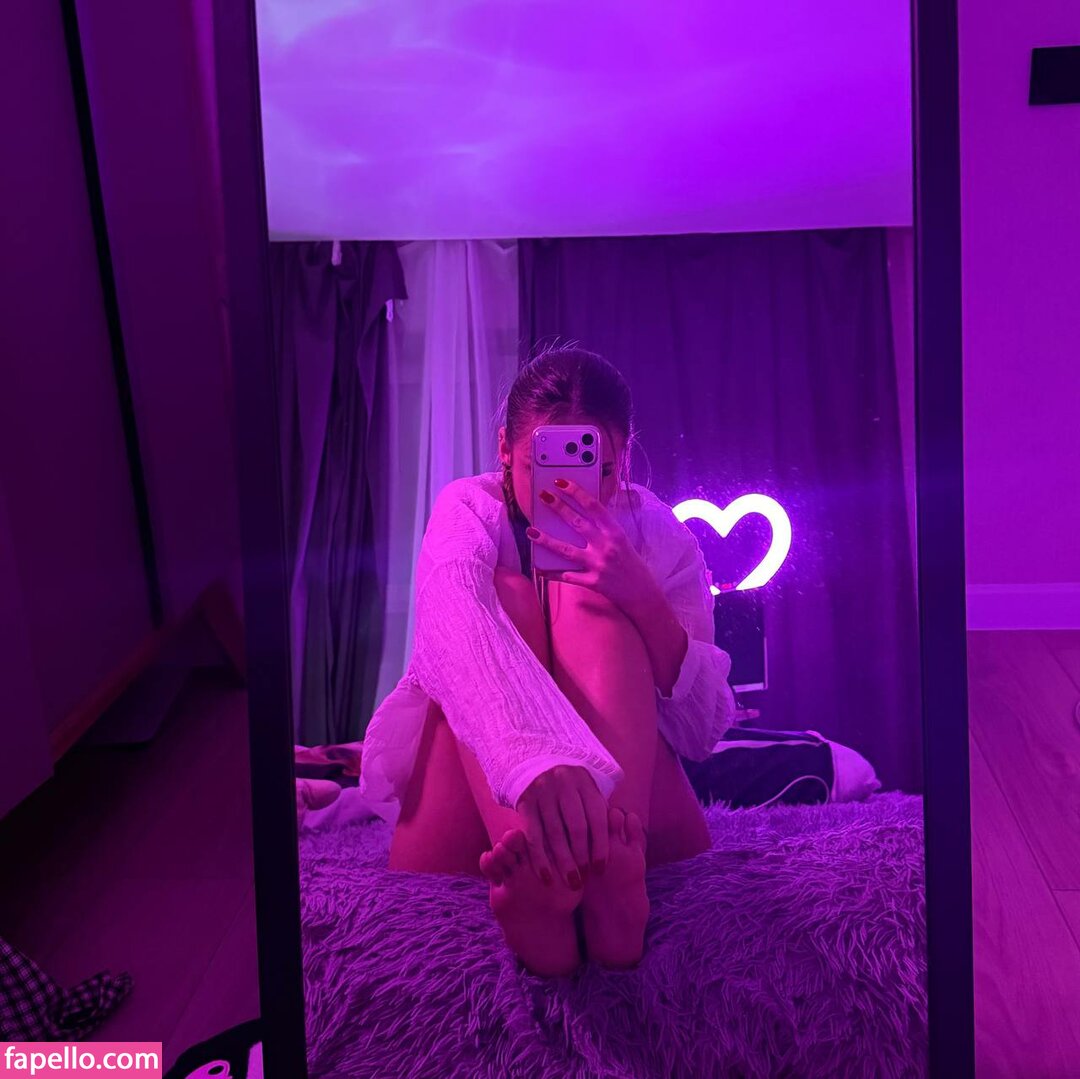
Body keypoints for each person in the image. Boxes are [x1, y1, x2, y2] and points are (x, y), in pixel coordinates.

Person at [359, 345, 736, 975]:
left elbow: (703, 731)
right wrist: (531, 760)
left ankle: (600, 885)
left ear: (623, 456)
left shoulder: (656, 532)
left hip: (627, 817)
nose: (569, 492)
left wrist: (641, 600)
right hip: (502, 801)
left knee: (591, 601)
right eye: (544, 465)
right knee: (496, 600)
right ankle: (553, 874)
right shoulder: (468, 508)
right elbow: (449, 619)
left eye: (598, 469)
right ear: (505, 451)